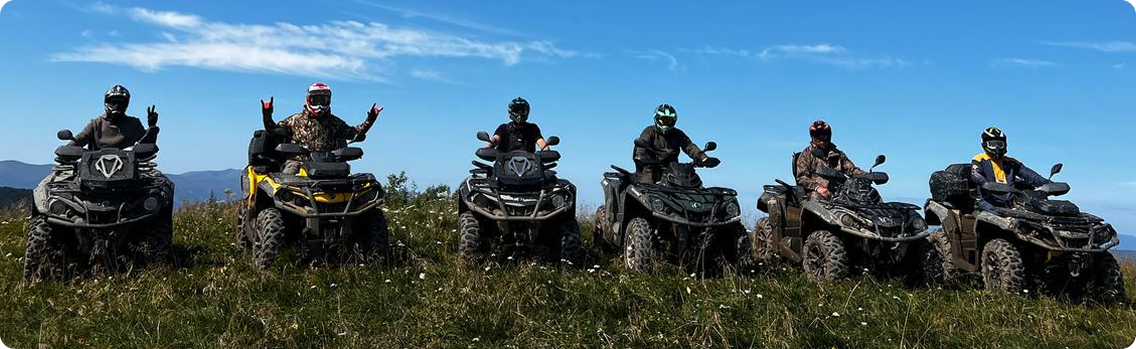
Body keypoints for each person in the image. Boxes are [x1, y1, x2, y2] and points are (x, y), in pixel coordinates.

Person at [261, 82, 382, 174]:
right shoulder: (295, 120)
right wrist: (267, 114)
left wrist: (370, 119)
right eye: (316, 100)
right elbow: (272, 130)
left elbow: (354, 133)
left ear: (329, 100)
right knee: (282, 189)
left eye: (323, 100)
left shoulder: (335, 122)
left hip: (330, 165)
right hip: (299, 163)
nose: (319, 104)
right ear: (308, 100)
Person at [632, 103, 718, 184]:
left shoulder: (678, 134)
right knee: (647, 187)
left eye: (669, 121)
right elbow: (641, 144)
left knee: (691, 183)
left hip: (673, 169)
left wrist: (703, 158)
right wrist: (641, 156)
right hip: (651, 167)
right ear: (657, 119)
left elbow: (689, 146)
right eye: (663, 120)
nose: (666, 123)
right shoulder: (649, 131)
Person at [969, 127, 1049, 212]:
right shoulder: (979, 159)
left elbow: (1031, 176)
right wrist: (985, 183)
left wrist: (1049, 184)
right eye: (992, 144)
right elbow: (976, 174)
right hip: (988, 201)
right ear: (985, 144)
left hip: (1012, 202)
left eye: (1000, 144)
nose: (997, 148)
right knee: (1001, 216)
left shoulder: (1011, 162)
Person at [71, 85, 160, 150]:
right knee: (63, 174)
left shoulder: (134, 123)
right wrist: (66, 150)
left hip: (129, 168)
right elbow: (79, 139)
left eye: (121, 102)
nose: (117, 105)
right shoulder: (96, 123)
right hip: (94, 169)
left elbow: (147, 146)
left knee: (156, 176)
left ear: (126, 104)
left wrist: (152, 127)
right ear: (106, 102)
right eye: (113, 102)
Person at [794, 120, 864, 200]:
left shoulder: (838, 154)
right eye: (818, 137)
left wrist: (866, 175)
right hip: (816, 194)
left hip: (840, 192)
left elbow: (851, 170)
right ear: (813, 137)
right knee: (816, 196)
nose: (821, 141)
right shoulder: (806, 155)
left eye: (824, 136)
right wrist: (818, 188)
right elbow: (801, 177)